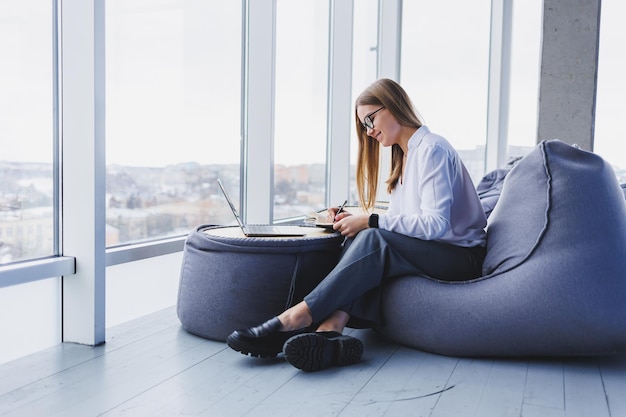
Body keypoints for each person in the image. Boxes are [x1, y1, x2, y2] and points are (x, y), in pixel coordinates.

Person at [226, 78, 487, 372]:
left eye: (370, 119)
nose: (369, 130)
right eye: (364, 126)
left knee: (373, 238)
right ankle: (330, 333)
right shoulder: (404, 157)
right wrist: (353, 217)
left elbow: (436, 225)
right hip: (433, 250)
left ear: (393, 106)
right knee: (360, 236)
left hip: (460, 256)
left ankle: (295, 317)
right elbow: (403, 221)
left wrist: (371, 220)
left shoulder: (432, 149)